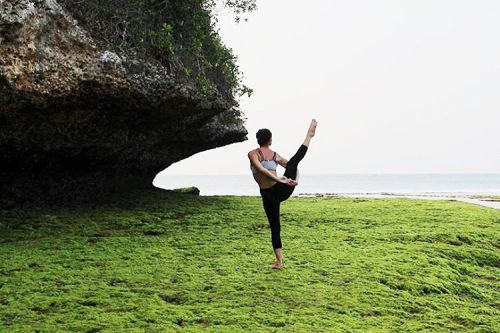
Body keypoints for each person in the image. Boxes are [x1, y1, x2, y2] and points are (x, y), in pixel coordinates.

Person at [248, 119, 318, 269]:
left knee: (293, 162)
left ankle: (309, 136)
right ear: (269, 139)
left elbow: (293, 166)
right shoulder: (253, 154)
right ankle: (279, 262)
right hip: (269, 194)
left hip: (280, 189)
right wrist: (280, 179)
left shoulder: (275, 155)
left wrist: (295, 180)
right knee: (275, 226)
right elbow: (261, 170)